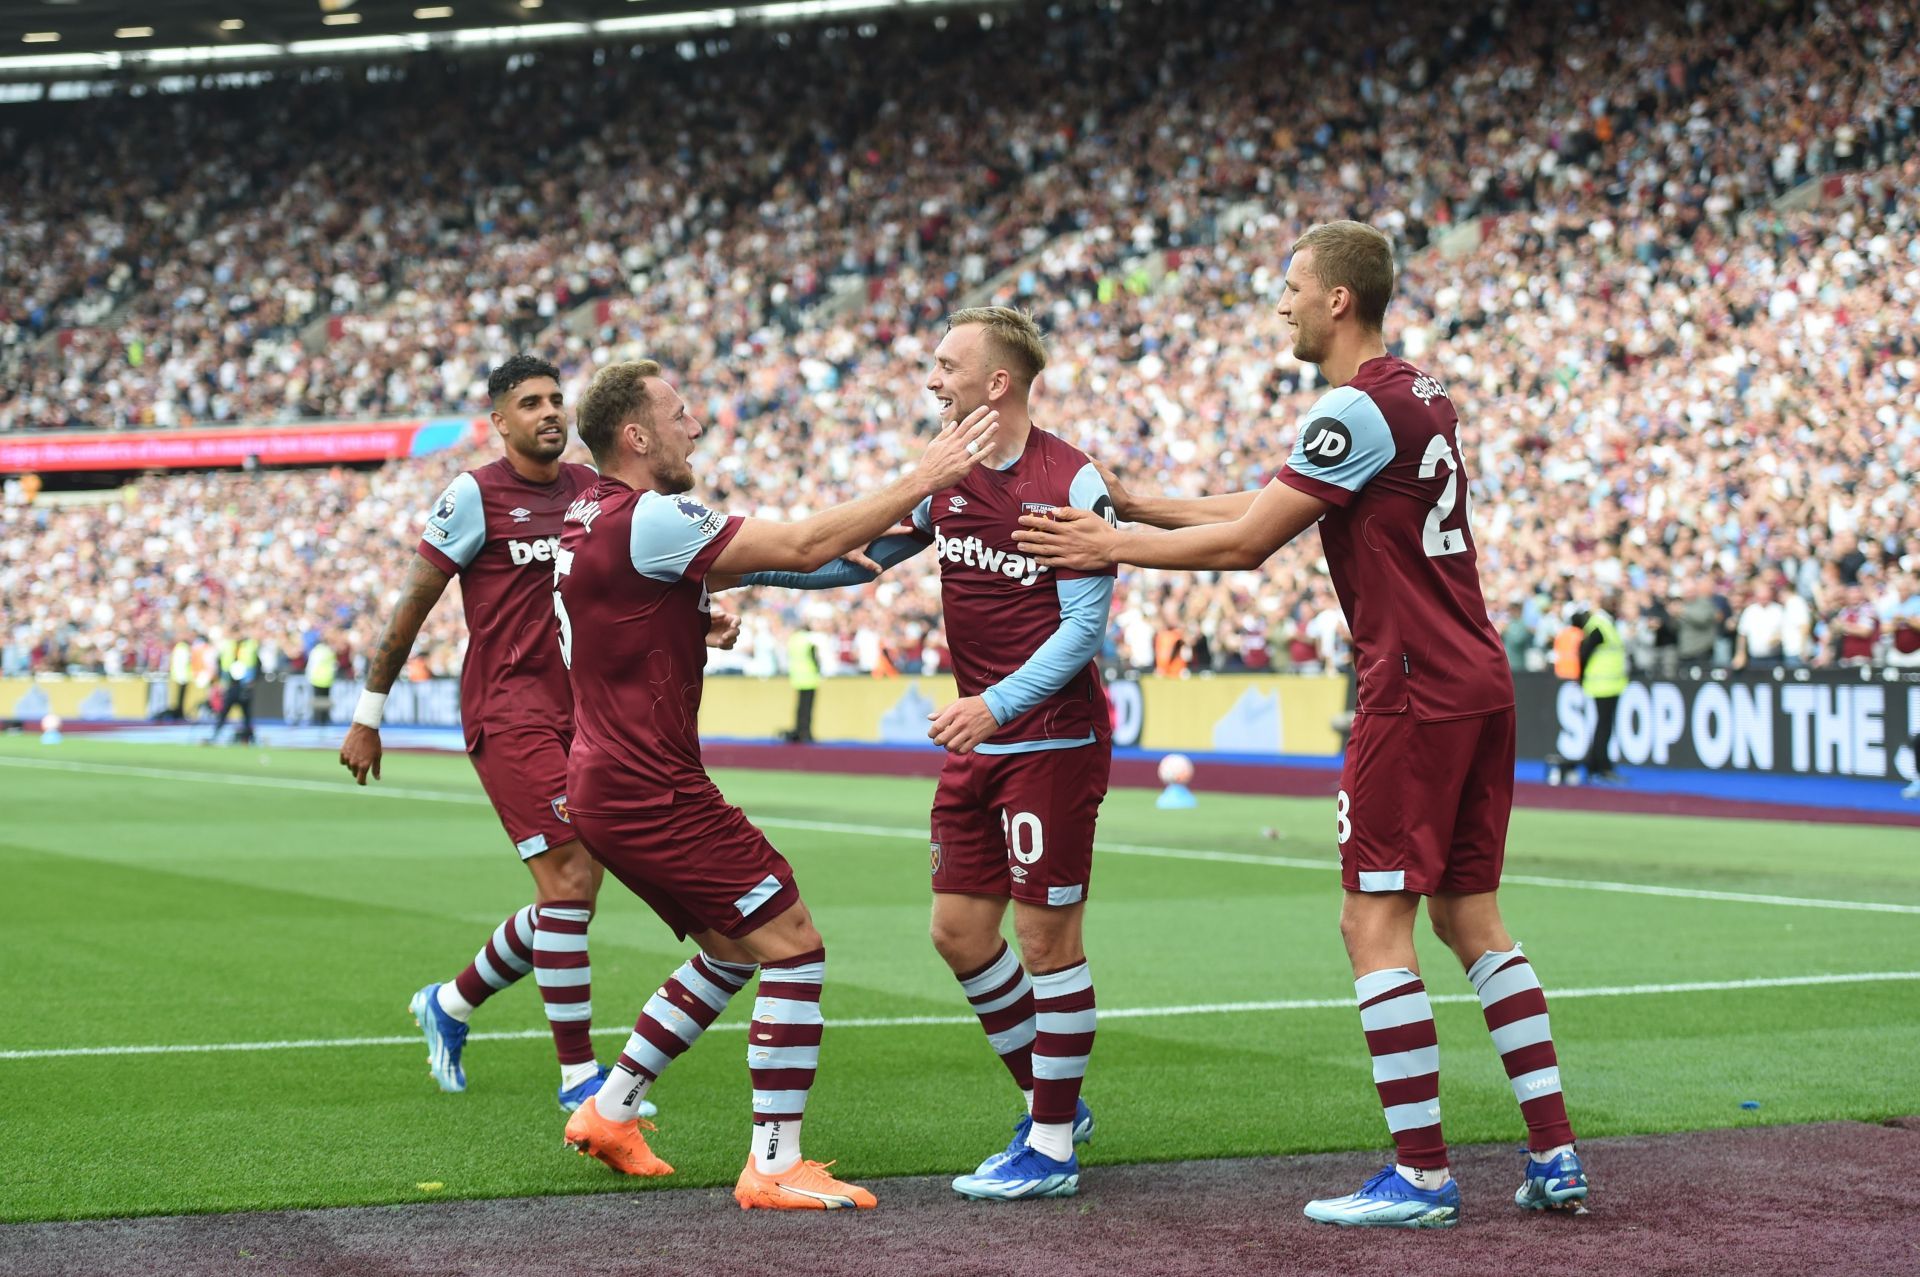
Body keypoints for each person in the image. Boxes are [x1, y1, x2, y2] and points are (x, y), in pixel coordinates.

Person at [1015, 221, 1587, 1228]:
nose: (1278, 304)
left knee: (1372, 921)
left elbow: (1248, 544)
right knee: (1471, 917)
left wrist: (1114, 541)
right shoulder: (1418, 395)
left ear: (1336, 300)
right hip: (1479, 680)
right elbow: (1277, 501)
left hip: (1410, 690)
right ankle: (1555, 1152)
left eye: (1290, 288)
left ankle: (1419, 1172)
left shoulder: (1350, 405)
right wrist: (1146, 502)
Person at [552, 358, 995, 1211]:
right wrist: (926, 479)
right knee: (792, 942)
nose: (696, 427)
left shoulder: (588, 515)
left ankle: (609, 1111)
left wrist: (690, 613)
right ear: (636, 436)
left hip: (606, 777)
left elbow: (779, 570)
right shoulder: (652, 515)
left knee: (730, 946)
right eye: (681, 414)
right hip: (653, 785)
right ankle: (774, 1162)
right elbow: (796, 548)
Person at [734, 308, 1116, 1199]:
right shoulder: (943, 477)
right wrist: (733, 565)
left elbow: (1084, 626)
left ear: (998, 384)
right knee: (957, 932)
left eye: (947, 365)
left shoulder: (1073, 480)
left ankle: (1051, 1146)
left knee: (1047, 941)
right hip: (979, 737)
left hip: (1048, 739)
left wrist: (997, 703)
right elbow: (846, 560)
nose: (932, 379)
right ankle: (1052, 1098)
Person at [338, 355, 620, 1115]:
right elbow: (412, 607)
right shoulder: (473, 495)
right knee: (565, 886)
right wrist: (369, 714)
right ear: (500, 421)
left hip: (584, 715)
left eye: (558, 399)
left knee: (575, 897)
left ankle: (450, 1003)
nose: (550, 412)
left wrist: (704, 616)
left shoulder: (594, 492)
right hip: (509, 711)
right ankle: (580, 1079)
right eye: (531, 402)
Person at [1574, 596, 1627, 784]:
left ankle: (1595, 764)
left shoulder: (1603, 624)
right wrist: (1580, 677)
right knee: (1603, 726)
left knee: (1603, 725)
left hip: (1608, 684)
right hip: (1603, 684)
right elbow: (1584, 651)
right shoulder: (1601, 625)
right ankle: (1601, 766)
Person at [207, 631, 259, 744]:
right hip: (231, 685)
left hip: (244, 686)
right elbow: (221, 664)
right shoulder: (228, 647)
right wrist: (222, 682)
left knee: (246, 714)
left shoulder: (250, 646)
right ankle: (215, 734)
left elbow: (257, 665)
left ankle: (249, 737)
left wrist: (253, 681)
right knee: (224, 712)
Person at [306, 632, 339, 726]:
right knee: (325, 699)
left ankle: (317, 719)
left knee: (317, 700)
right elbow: (335, 665)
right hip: (328, 679)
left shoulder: (316, 651)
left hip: (316, 679)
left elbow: (311, 665)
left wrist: (308, 676)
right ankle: (324, 719)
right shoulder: (330, 651)